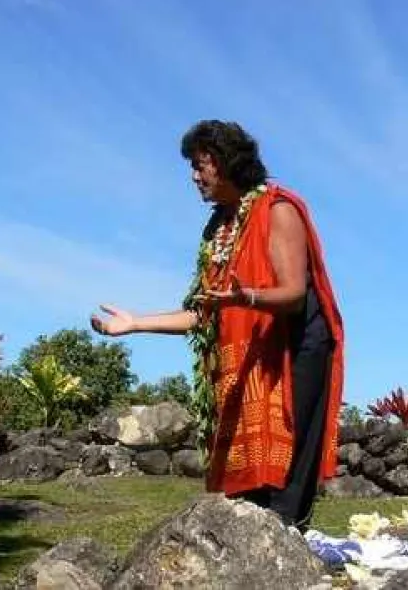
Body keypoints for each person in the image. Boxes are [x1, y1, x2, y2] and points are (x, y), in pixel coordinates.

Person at [91, 120, 345, 530]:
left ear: (227, 163)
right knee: (244, 484)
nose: (194, 176)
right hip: (247, 360)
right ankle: (247, 540)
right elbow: (205, 313)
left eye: (200, 165)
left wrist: (247, 299)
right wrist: (136, 323)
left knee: (285, 469)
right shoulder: (219, 229)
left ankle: (284, 540)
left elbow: (294, 293)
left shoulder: (277, 209)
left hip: (294, 351)